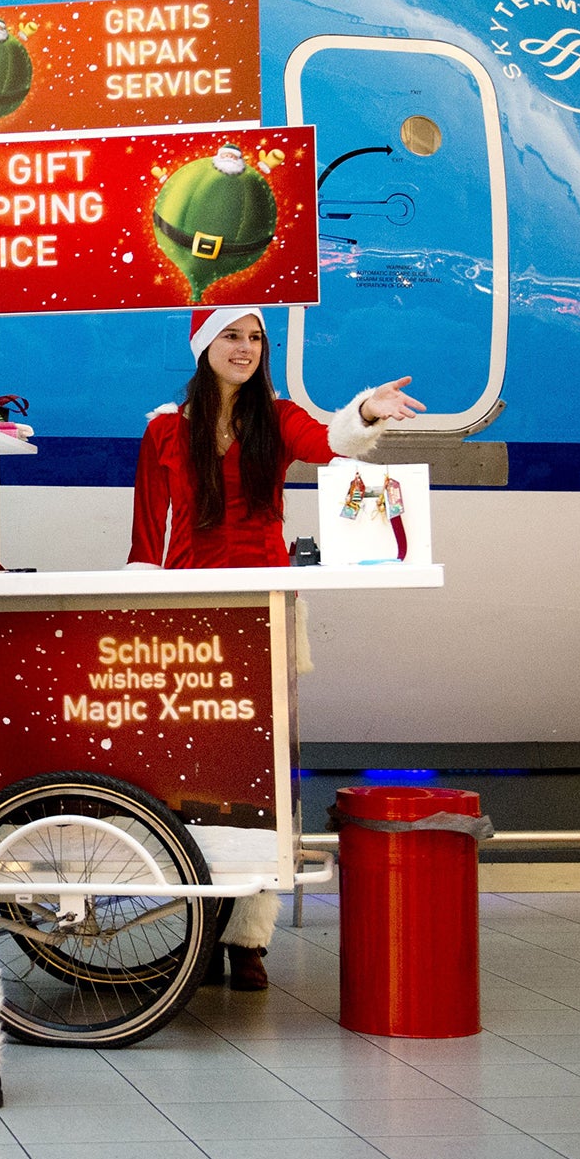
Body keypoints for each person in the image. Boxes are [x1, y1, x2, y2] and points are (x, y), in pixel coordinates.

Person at [128, 306, 423, 988]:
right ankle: (203, 928)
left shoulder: (279, 418)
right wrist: (144, 604)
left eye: (255, 337)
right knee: (196, 778)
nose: (246, 348)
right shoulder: (165, 428)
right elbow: (146, 530)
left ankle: (248, 939)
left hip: (264, 613)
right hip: (193, 617)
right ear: (204, 346)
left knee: (261, 776)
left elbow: (328, 444)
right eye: (232, 336)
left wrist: (366, 412)